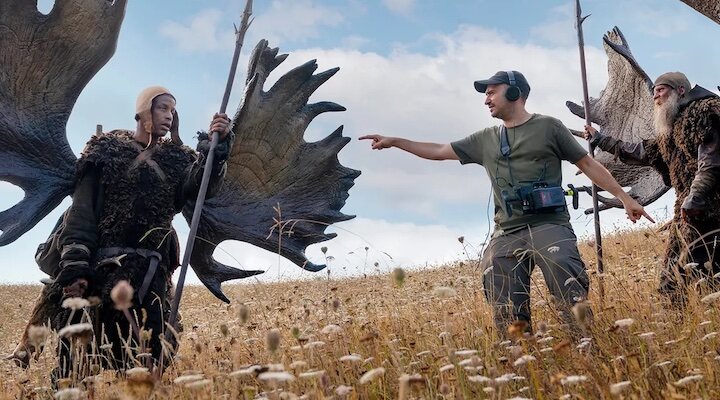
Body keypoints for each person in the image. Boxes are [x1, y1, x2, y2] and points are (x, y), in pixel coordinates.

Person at [360, 71, 653, 337]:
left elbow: (587, 163)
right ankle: (517, 360)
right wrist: (395, 141)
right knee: (501, 297)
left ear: (514, 93)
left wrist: (624, 199)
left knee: (568, 281)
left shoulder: (549, 127)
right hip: (507, 232)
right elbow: (438, 150)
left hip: (549, 225)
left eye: (491, 93)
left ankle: (585, 347)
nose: (486, 100)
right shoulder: (484, 139)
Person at [15, 86, 233, 380]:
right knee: (76, 363)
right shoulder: (104, 153)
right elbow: (83, 211)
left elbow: (200, 185)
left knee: (149, 361)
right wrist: (76, 263)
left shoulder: (178, 160)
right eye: (162, 108)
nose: (169, 116)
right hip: (98, 272)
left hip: (150, 277)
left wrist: (214, 154)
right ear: (143, 111)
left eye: (172, 110)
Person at [585, 72, 720, 306]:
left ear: (680, 91)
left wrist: (695, 197)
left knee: (707, 278)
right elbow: (640, 151)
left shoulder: (703, 112)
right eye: (654, 91)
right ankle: (682, 329)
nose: (655, 95)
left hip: (711, 210)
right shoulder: (672, 128)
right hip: (688, 212)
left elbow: (711, 162)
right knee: (671, 280)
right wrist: (601, 140)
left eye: (661, 90)